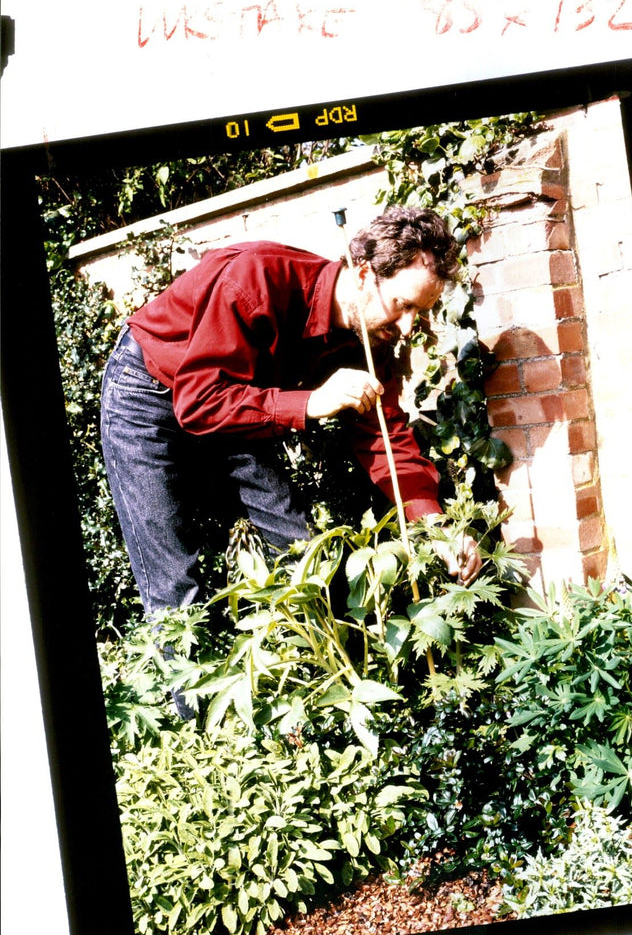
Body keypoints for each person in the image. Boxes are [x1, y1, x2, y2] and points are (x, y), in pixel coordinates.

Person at [100, 206, 481, 640]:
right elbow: (199, 401)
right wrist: (312, 402)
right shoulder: (255, 279)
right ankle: (189, 705)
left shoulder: (369, 337)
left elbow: (387, 441)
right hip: (147, 393)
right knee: (174, 584)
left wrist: (435, 527)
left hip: (237, 400)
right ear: (362, 276)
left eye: (421, 312)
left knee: (304, 551)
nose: (409, 326)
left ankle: (329, 680)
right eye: (403, 304)